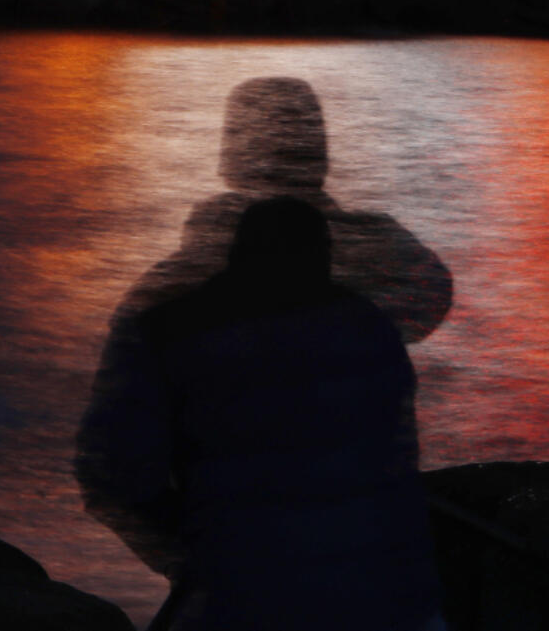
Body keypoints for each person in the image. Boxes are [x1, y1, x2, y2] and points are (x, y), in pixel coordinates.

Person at [76, 197, 444, 631]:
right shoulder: (370, 328)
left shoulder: (168, 331)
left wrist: (187, 553)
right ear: (324, 253)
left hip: (240, 591)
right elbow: (395, 461)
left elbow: (111, 474)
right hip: (384, 594)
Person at [112, 76, 453, 346]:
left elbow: (131, 330)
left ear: (231, 157)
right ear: (319, 151)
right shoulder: (378, 253)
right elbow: (430, 299)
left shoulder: (199, 260)